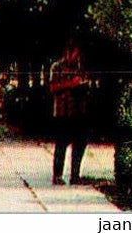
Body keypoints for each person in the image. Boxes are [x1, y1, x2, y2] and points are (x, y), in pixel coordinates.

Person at [50, 40, 91, 185]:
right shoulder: (57, 67)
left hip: (79, 110)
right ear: (68, 52)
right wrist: (71, 84)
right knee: (61, 143)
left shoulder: (80, 68)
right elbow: (53, 87)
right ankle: (57, 175)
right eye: (74, 53)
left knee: (80, 143)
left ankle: (75, 175)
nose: (76, 56)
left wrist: (83, 85)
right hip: (63, 111)